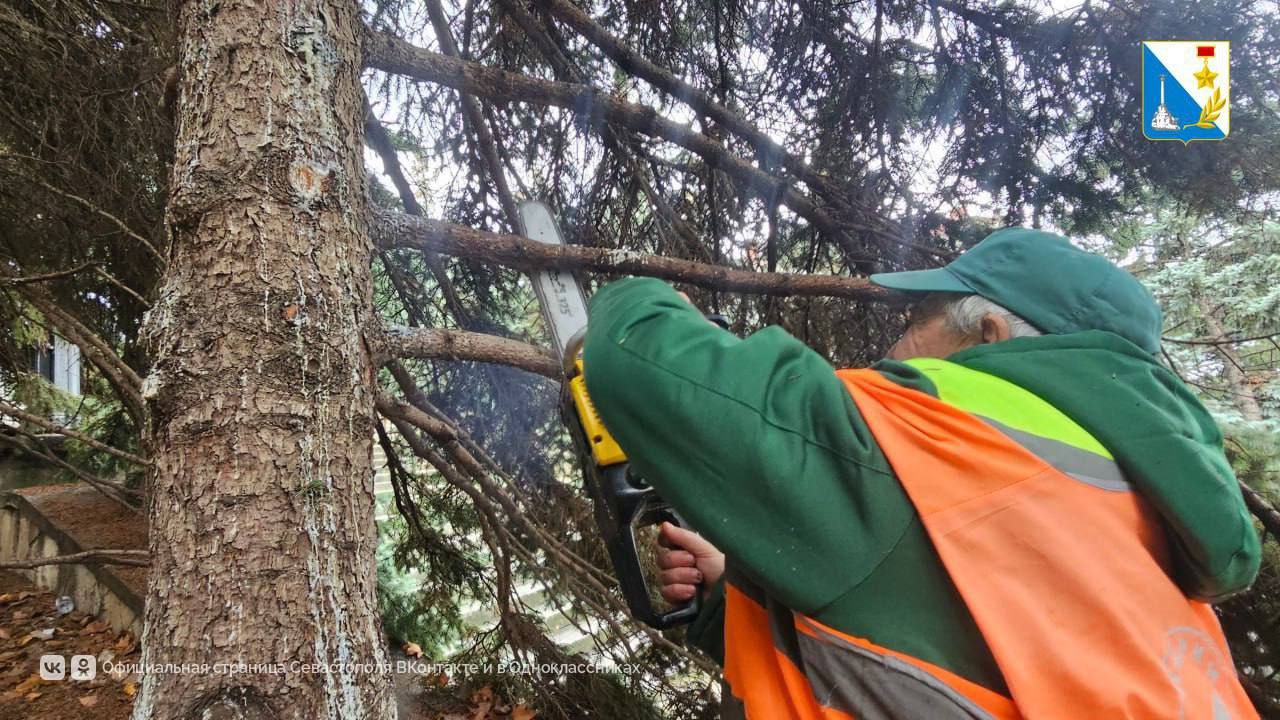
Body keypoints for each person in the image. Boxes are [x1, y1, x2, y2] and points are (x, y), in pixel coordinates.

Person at [580, 228, 1262, 719]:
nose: (895, 346)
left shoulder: (933, 442)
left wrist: (631, 294)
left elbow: (637, 357)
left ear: (987, 333)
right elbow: (935, 652)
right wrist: (732, 601)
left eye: (917, 323)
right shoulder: (1124, 491)